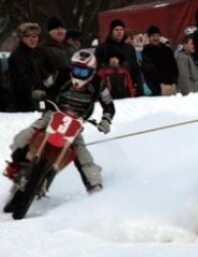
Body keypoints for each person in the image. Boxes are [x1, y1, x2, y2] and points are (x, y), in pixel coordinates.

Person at [3, 50, 115, 193]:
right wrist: (39, 94)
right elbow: (44, 85)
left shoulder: (99, 84)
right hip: (53, 113)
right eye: (76, 70)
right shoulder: (60, 74)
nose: (78, 75)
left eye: (83, 72)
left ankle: (95, 187)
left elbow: (109, 104)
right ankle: (15, 166)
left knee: (82, 154)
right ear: (71, 67)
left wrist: (106, 120)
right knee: (24, 136)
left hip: (76, 122)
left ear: (92, 72)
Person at [94, 18, 144, 96]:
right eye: (116, 29)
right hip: (108, 90)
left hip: (127, 89)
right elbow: (98, 70)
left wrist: (139, 88)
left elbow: (135, 69)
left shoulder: (129, 48)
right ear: (111, 31)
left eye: (121, 29)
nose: (119, 32)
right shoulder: (102, 48)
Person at [7, 22, 46, 112]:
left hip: (35, 101)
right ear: (22, 38)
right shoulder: (17, 56)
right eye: (28, 36)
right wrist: (32, 91)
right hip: (21, 104)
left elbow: (42, 74)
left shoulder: (33, 54)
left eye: (35, 36)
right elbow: (19, 81)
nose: (32, 39)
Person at [141, 25, 178, 96]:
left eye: (157, 36)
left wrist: (174, 81)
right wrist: (157, 88)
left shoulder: (167, 50)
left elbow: (174, 67)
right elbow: (148, 71)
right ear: (149, 37)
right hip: (158, 87)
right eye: (153, 36)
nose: (155, 38)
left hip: (171, 85)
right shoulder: (146, 51)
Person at [35, 17, 69, 88]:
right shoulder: (41, 48)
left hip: (64, 87)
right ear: (49, 32)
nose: (60, 31)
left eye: (62, 29)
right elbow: (38, 68)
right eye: (56, 29)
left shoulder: (64, 48)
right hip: (50, 88)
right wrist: (51, 79)